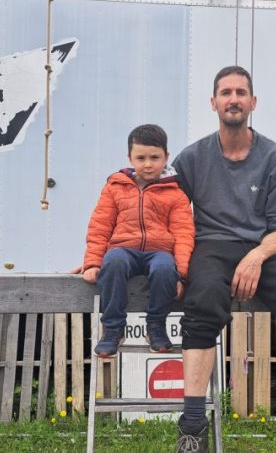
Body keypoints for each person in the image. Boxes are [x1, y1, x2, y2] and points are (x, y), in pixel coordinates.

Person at [172, 66, 276, 453]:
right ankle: (192, 431)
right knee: (201, 304)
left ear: (253, 102)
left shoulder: (274, 157)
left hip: (265, 248)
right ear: (213, 103)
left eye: (241, 92)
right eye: (225, 92)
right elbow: (166, 213)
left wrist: (257, 256)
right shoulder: (192, 158)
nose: (233, 99)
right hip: (210, 246)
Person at [80, 124, 195, 357]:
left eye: (155, 157)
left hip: (159, 251)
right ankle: (113, 329)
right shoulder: (115, 187)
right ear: (130, 157)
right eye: (140, 158)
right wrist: (92, 262)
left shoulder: (175, 192)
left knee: (165, 268)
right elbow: (100, 226)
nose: (148, 164)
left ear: (166, 157)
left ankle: (156, 327)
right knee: (113, 262)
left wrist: (181, 274)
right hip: (124, 249)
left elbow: (184, 234)